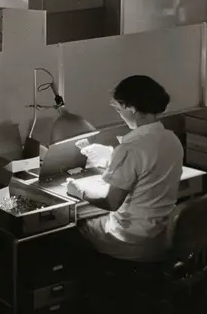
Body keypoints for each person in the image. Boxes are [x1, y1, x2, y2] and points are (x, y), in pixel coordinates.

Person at [65, 75, 183, 263]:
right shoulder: (171, 139)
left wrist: (78, 191)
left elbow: (111, 202)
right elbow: (147, 167)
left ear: (131, 108)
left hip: (130, 240)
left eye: (119, 109)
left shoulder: (130, 149)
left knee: (72, 227)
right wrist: (111, 155)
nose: (119, 114)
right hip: (160, 236)